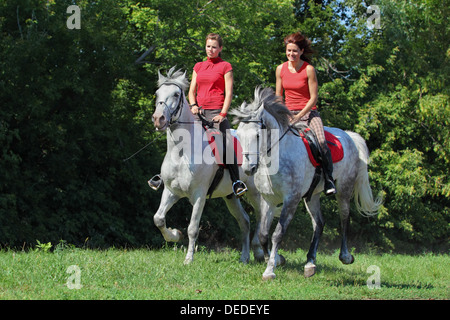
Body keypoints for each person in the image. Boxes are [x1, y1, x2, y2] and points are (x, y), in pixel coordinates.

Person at [149, 33, 247, 197]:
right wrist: (193, 105)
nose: (211, 49)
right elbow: (192, 91)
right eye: (208, 46)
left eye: (214, 47)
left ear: (220, 49)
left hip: (217, 112)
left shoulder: (226, 67)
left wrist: (223, 113)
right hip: (197, 112)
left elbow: (229, 93)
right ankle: (163, 176)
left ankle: (236, 181)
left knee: (226, 141)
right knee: (177, 138)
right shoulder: (198, 66)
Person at [275, 31, 336, 196]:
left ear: (301, 51)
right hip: (287, 114)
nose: (291, 54)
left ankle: (329, 179)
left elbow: (313, 98)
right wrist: (284, 114)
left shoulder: (309, 70)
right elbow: (279, 96)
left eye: (295, 51)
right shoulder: (280, 69)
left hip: (308, 113)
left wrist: (298, 116)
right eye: (289, 50)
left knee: (321, 141)